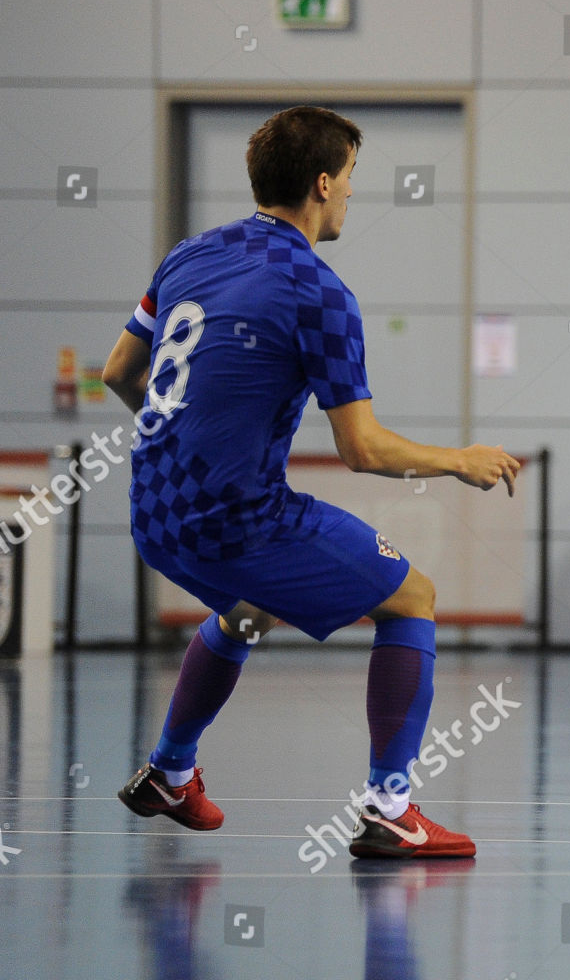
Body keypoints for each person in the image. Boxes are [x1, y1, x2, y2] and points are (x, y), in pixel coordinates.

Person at [101, 106, 519, 859]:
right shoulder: (319, 292)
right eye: (352, 178)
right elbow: (362, 449)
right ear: (323, 183)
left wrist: (189, 442)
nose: (353, 194)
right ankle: (391, 810)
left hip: (152, 507)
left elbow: (119, 374)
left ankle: (169, 772)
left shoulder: (188, 256)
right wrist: (459, 459)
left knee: (248, 610)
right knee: (413, 596)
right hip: (237, 515)